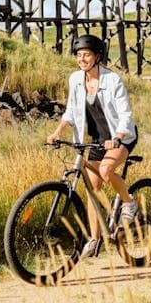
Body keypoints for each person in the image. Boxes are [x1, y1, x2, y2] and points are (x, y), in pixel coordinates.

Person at [47, 34, 139, 258]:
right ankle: (94, 239)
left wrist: (117, 137)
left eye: (86, 55)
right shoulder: (75, 79)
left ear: (97, 56)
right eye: (79, 55)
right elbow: (70, 110)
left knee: (106, 170)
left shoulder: (112, 80)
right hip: (96, 139)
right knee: (92, 189)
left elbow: (125, 115)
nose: (82, 59)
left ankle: (129, 202)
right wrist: (57, 132)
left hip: (121, 137)